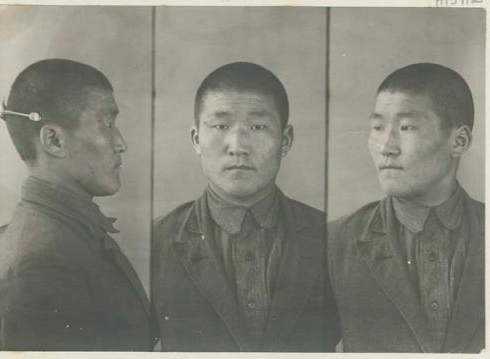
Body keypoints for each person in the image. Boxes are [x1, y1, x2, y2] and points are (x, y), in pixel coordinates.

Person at [151, 62, 340, 352]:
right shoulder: (156, 241)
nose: (238, 145)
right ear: (196, 139)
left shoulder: (332, 238)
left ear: (286, 140)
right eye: (220, 126)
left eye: (258, 126)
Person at [0, 59, 153, 351]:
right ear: (54, 141)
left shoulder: (67, 232)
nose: (121, 143)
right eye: (106, 124)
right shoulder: (44, 263)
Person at [328, 63, 484, 353]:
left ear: (459, 141)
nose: (386, 146)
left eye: (407, 127)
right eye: (377, 127)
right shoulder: (333, 243)